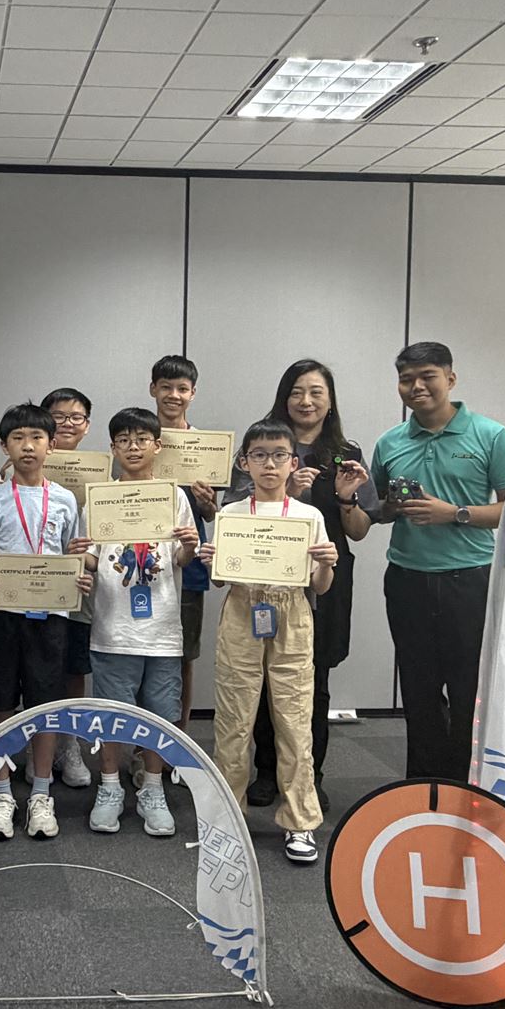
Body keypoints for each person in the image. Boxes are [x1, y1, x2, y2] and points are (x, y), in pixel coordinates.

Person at [370, 342, 505, 782]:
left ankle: (464, 785)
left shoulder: (490, 435)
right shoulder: (390, 442)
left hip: (468, 580)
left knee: (468, 690)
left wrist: (453, 513)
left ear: (450, 379)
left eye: (428, 377)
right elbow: (377, 509)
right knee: (417, 689)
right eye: (406, 379)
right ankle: (422, 786)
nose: (416, 387)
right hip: (407, 580)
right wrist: (387, 506)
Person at [244, 360, 378, 815]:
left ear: (330, 400)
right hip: (267, 580)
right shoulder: (265, 442)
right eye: (297, 391)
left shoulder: (346, 452)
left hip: (325, 581)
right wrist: (292, 494)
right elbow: (240, 513)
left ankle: (308, 774)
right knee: (264, 674)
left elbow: (359, 529)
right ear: (284, 397)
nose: (306, 401)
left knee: (314, 679)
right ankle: (266, 771)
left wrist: (345, 496)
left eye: (317, 392)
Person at [69, 407, 206, 836]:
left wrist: (190, 545)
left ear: (157, 446)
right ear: (112, 448)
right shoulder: (100, 497)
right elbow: (93, 558)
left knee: (160, 715)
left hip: (162, 629)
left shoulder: (173, 496)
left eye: (141, 439)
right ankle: (110, 786)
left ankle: (152, 788)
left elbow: (180, 559)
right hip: (113, 628)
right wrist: (79, 559)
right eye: (124, 440)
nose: (133, 447)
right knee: (111, 716)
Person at [212, 419, 338, 864]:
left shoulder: (308, 516)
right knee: (233, 718)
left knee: (294, 718)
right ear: (244, 462)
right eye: (260, 455)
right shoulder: (231, 514)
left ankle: (300, 821)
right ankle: (227, 817)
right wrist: (214, 560)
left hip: (292, 614)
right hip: (242, 609)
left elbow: (319, 586)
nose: (270, 464)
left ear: (293, 463)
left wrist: (327, 563)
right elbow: (221, 580)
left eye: (279, 455)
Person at [0, 404, 92, 841]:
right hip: (3, 613)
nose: (28, 446)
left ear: (51, 444)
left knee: (45, 705)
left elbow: (72, 554)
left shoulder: (64, 498)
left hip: (51, 616)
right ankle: (2, 793)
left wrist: (80, 574)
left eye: (37, 437)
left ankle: (41, 793)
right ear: (5, 446)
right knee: (0, 702)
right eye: (18, 438)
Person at [148, 356, 218, 735]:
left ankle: (179, 739)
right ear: (153, 390)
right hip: (141, 562)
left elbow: (211, 513)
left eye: (182, 389)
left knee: (183, 655)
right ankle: (144, 743)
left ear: (193, 393)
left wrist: (208, 504)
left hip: (187, 563)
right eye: (166, 387)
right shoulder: (138, 439)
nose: (173, 395)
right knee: (142, 654)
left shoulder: (204, 448)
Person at [39, 387, 96, 788]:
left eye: (76, 417)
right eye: (58, 416)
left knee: (74, 665)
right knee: (38, 669)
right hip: (34, 586)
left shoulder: (101, 473)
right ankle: (38, 746)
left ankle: (69, 744)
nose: (67, 423)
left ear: (87, 425)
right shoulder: (19, 465)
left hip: (78, 582)